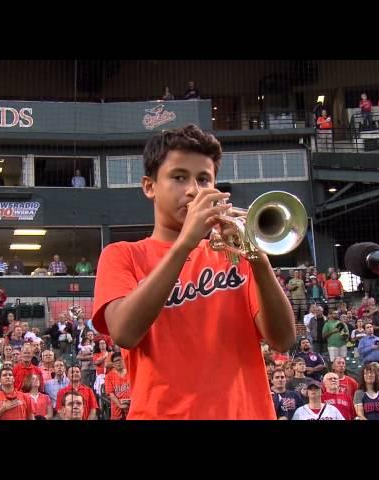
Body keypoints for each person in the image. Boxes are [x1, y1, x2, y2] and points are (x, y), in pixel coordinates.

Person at [92, 124, 295, 420]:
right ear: (150, 186)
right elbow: (125, 333)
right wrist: (186, 243)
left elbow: (283, 339)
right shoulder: (122, 255)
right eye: (178, 177)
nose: (193, 190)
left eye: (204, 179)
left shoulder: (235, 254)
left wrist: (259, 259)